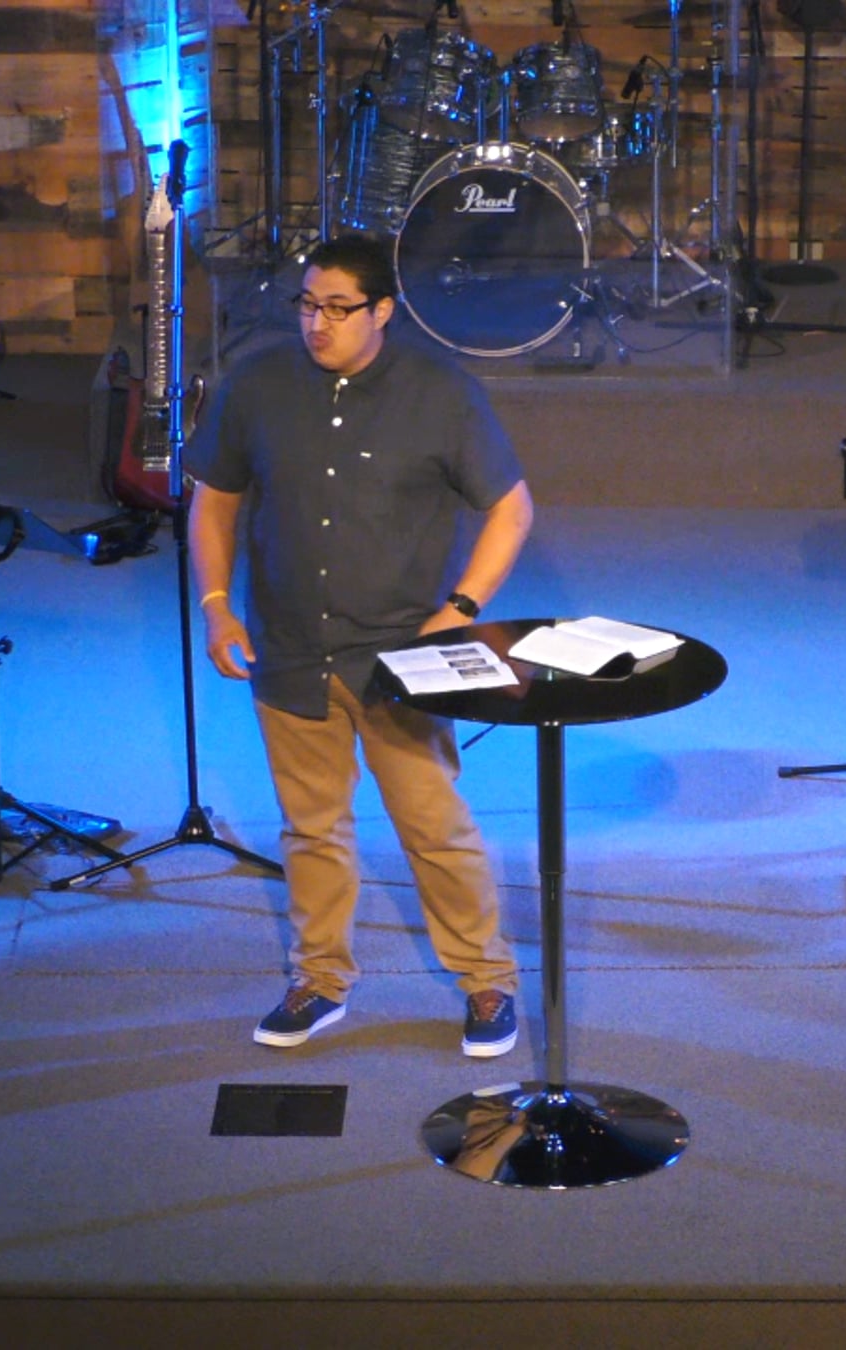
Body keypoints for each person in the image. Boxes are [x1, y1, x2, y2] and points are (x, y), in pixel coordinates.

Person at [186, 235, 535, 1057]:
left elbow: (512, 508)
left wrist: (461, 608)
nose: (318, 323)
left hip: (397, 659)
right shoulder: (258, 384)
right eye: (308, 305)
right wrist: (216, 606)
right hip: (288, 648)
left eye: (338, 309)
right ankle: (319, 980)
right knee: (310, 830)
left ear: (383, 311)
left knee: (434, 827)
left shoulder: (440, 392)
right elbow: (214, 500)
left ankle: (486, 981)